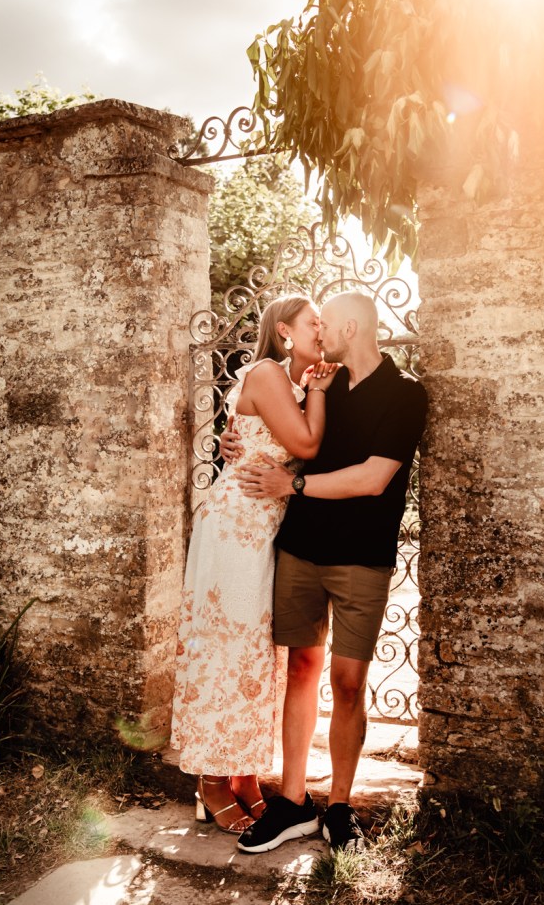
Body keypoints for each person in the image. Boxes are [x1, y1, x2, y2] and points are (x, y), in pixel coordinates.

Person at [227, 291, 428, 857]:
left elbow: (373, 478)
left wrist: (292, 485)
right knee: (299, 672)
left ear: (350, 326)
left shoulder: (406, 395)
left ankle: (338, 805)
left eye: (326, 324)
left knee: (347, 682)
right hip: (301, 549)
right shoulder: (321, 383)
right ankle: (293, 803)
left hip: (362, 556)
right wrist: (236, 444)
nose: (320, 333)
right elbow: (277, 429)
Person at [169, 294, 337, 834]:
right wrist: (315, 391)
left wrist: (309, 389)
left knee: (258, 655)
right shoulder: (267, 373)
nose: (322, 329)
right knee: (226, 648)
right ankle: (210, 779)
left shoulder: (287, 384)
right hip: (237, 524)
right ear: (285, 330)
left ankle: (244, 775)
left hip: (266, 529)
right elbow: (307, 443)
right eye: (314, 322)